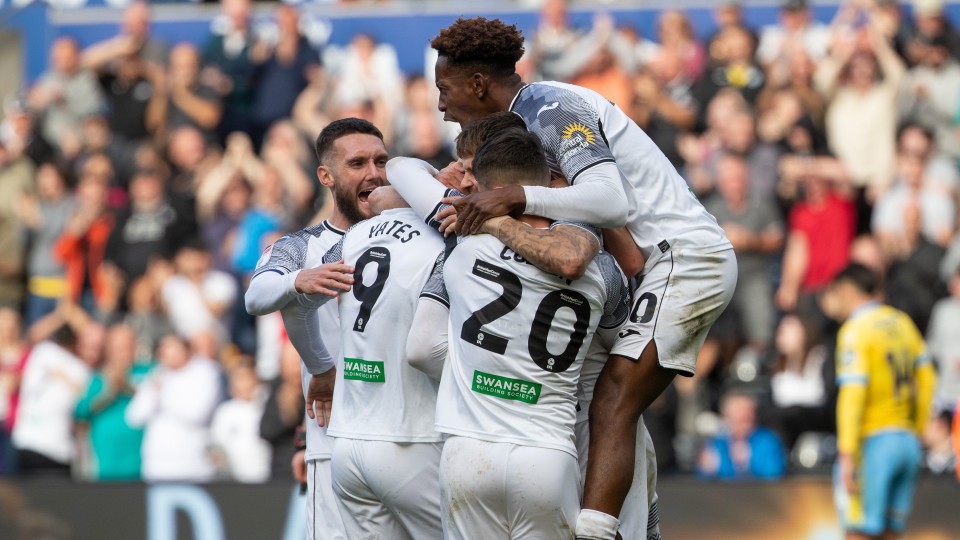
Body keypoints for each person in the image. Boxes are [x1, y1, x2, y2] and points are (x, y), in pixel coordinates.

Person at [428, 17, 736, 535]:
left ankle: (596, 534)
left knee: (613, 396)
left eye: (445, 88)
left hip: (686, 258)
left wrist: (516, 196)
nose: (441, 104)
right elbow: (618, 237)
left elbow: (612, 200)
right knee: (609, 403)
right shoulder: (523, 124)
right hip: (650, 263)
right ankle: (639, 523)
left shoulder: (549, 107)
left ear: (478, 84)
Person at [387, 115, 654, 539]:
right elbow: (620, 343)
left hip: (468, 449)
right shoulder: (602, 268)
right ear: (549, 184)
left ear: (484, 189)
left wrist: (467, 196)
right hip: (548, 454)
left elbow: (397, 171)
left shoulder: (460, 243)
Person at [245, 118, 386, 540]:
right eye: (357, 163)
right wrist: (297, 281)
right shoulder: (300, 246)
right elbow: (257, 295)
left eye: (381, 161)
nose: (374, 173)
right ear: (326, 176)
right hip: (331, 441)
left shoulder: (414, 237)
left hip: (406, 437)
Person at [829, 263, 936, 540]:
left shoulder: (855, 330)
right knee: (891, 533)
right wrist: (918, 425)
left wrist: (847, 453)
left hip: (874, 444)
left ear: (846, 291)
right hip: (907, 444)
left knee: (858, 530)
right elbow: (927, 378)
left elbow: (853, 395)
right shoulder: (901, 322)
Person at [125, 333, 221, 482]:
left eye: (170, 347)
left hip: (194, 467)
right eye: (162, 348)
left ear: (186, 349)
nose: (164, 352)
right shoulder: (157, 374)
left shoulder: (205, 372)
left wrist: (163, 393)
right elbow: (134, 417)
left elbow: (196, 414)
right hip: (156, 467)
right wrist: (152, 393)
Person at [74, 323, 151, 481]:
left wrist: (127, 387)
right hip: (107, 463)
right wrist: (109, 392)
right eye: (118, 347)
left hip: (143, 463)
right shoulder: (98, 378)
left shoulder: (147, 372)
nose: (123, 352)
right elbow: (81, 412)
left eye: (127, 346)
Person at [696, 392, 786, 480]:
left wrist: (746, 462)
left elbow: (774, 473)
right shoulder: (717, 443)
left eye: (746, 419)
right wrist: (707, 469)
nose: (742, 426)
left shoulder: (767, 440)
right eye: (736, 420)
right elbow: (702, 476)